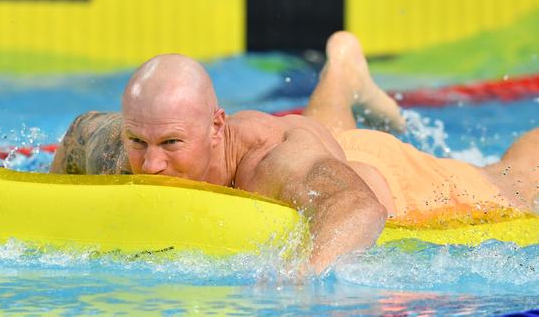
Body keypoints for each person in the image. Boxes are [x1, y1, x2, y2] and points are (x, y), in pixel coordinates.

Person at [51, 32, 539, 273]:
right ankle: (342, 68)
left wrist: (303, 275)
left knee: (515, 180)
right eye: (139, 142)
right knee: (325, 135)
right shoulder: (131, 141)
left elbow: (357, 206)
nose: (151, 164)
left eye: (171, 144)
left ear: (216, 127)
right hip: (323, 150)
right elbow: (76, 135)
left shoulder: (270, 162)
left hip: (391, 182)